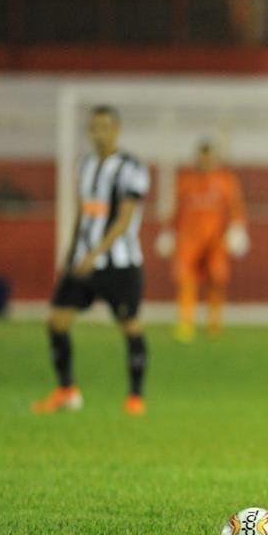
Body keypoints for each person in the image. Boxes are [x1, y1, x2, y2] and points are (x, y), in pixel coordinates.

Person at [32, 105, 150, 416]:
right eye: (94, 127)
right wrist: (72, 254)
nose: (99, 133)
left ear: (117, 130)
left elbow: (124, 219)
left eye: (105, 127)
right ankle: (67, 391)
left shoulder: (131, 167)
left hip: (119, 264)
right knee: (56, 321)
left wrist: (95, 254)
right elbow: (84, 214)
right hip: (82, 262)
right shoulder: (83, 165)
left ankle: (135, 398)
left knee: (131, 326)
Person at [157, 140, 249, 342]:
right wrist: (168, 232)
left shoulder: (225, 180)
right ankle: (185, 324)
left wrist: (237, 229)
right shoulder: (185, 181)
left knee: (217, 279)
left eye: (209, 157)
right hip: (189, 239)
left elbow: (236, 208)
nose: (205, 161)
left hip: (215, 240)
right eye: (202, 156)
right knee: (186, 280)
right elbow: (175, 210)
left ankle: (214, 324)